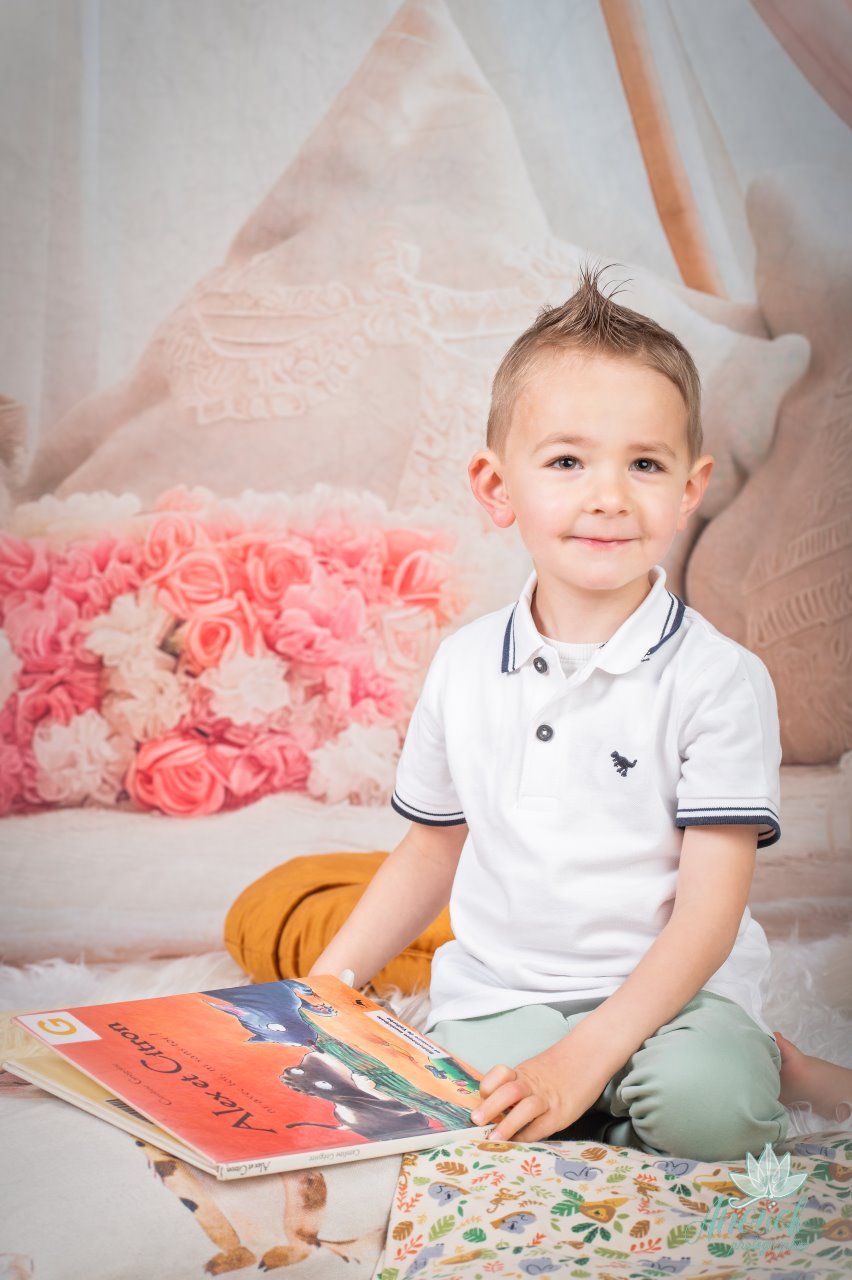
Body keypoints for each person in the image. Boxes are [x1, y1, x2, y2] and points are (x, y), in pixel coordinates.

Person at [308, 260, 831, 1160]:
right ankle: (651, 1088)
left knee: (709, 1119)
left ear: (688, 489)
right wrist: (326, 984)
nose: (607, 495)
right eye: (566, 461)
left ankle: (765, 1066)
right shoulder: (467, 665)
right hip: (506, 994)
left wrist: (584, 1062)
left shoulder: (717, 678)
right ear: (495, 487)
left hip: (679, 995)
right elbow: (432, 846)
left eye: (644, 464)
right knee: (476, 1121)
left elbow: (708, 917)